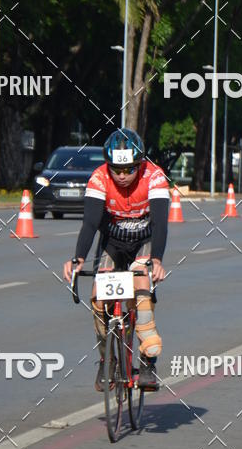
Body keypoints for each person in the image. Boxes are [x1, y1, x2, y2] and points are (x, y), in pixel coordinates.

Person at [63, 128, 170, 392]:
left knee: (142, 290)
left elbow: (159, 223)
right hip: (112, 242)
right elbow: (89, 224)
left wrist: (156, 259)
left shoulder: (154, 176)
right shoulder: (99, 178)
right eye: (116, 169)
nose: (122, 176)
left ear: (140, 163)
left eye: (129, 169)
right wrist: (77, 259)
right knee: (99, 299)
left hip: (144, 241)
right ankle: (106, 359)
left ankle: (147, 362)